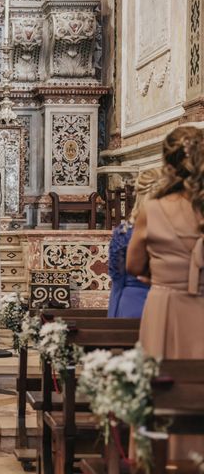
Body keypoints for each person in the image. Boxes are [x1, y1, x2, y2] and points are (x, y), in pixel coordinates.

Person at [127, 125, 204, 459]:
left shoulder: (153, 209)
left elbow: (133, 264)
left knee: (163, 386)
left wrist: (159, 274)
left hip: (166, 306)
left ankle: (159, 459)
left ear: (167, 162)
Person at [106, 168, 161, 318]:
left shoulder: (124, 233)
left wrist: (113, 315)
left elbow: (117, 279)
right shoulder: (175, 231)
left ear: (138, 195)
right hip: (167, 304)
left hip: (132, 303)